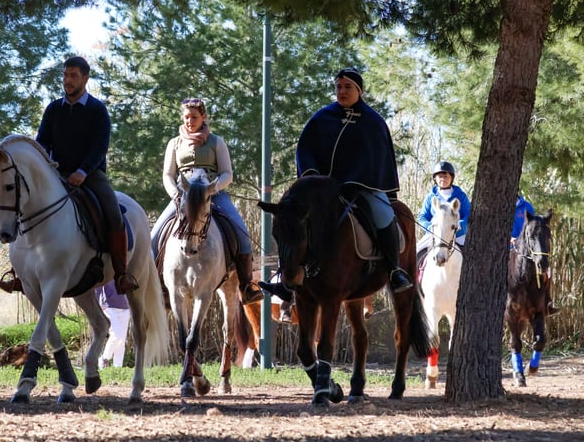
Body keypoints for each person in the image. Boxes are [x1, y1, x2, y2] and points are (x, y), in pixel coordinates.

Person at [260, 66, 412, 299]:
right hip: (321, 191)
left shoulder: (373, 122)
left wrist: (355, 179)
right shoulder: (322, 118)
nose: (342, 91)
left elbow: (376, 157)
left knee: (383, 213)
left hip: (362, 188)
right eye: (338, 87)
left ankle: (394, 270)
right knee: (293, 221)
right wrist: (312, 175)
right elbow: (305, 148)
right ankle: (286, 281)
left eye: (348, 87)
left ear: (359, 90)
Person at [33, 56, 139, 295]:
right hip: (57, 173)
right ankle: (22, 272)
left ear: (85, 78)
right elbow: (42, 142)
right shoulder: (52, 109)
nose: (67, 80)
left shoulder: (97, 110)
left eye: (73, 75)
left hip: (90, 175)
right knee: (28, 205)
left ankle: (122, 273)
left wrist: (82, 171)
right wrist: (44, 165)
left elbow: (99, 147)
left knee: (114, 213)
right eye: (65, 75)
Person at [150, 97, 263, 305]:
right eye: (186, 117)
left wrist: (213, 189)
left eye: (194, 117)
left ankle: (246, 286)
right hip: (183, 196)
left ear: (203, 117)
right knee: (154, 236)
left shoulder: (216, 142)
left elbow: (227, 173)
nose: (189, 121)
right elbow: (167, 174)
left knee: (242, 233)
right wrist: (175, 193)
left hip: (213, 194)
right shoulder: (174, 143)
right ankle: (160, 287)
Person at [512, 193, 560, 316]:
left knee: (547, 270)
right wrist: (509, 238)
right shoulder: (502, 205)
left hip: (527, 250)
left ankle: (547, 302)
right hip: (508, 247)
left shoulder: (527, 206)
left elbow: (533, 227)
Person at [416, 160, 472, 264]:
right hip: (434, 235)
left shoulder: (461, 196)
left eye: (445, 176)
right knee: (416, 252)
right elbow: (422, 217)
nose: (443, 179)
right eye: (440, 176)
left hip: (457, 235)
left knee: (473, 255)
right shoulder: (430, 197)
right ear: (435, 179)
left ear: (451, 178)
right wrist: (430, 227)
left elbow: (468, 214)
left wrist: (459, 225)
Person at [96, 280, 131, 368]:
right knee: (116, 335)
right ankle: (104, 359)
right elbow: (98, 286)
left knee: (122, 340)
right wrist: (97, 306)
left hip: (125, 307)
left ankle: (118, 367)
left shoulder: (127, 267)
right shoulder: (106, 266)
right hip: (109, 307)